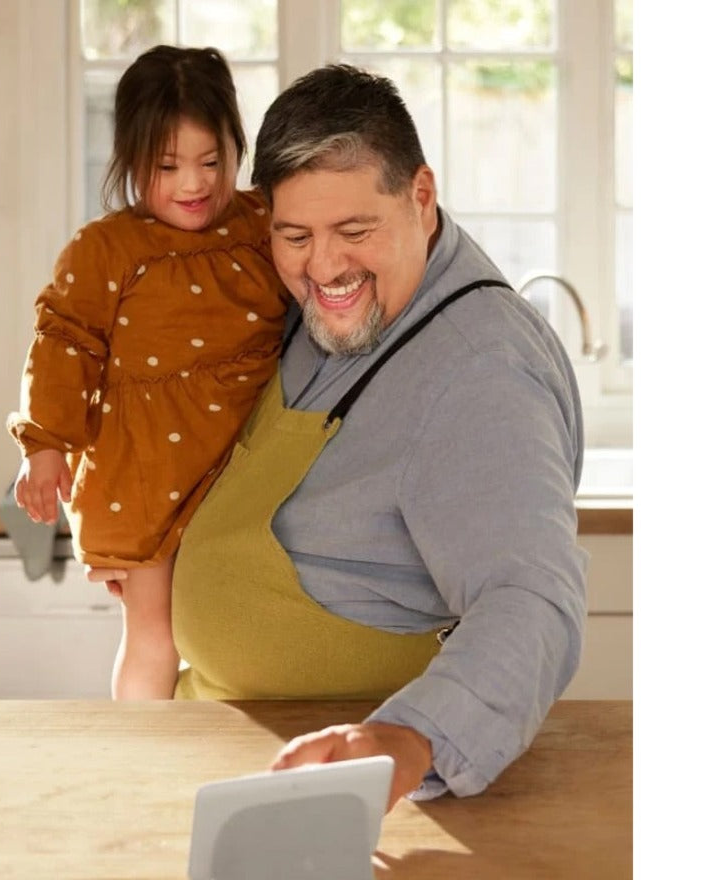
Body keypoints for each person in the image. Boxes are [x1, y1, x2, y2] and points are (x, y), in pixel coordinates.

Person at [170, 63, 588, 807]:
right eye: (294, 234)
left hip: (342, 794)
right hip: (219, 744)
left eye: (354, 231)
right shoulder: (333, 309)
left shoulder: (478, 371)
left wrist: (404, 740)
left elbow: (530, 598)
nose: (323, 266)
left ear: (420, 198)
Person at [6, 46, 289, 700]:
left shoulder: (261, 226)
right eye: (167, 167)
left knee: (241, 632)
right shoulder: (107, 249)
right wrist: (45, 445)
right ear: (131, 160)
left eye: (210, 162)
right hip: (145, 480)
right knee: (155, 635)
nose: (193, 184)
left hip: (245, 474)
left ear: (235, 148)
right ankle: (140, 769)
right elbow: (62, 345)